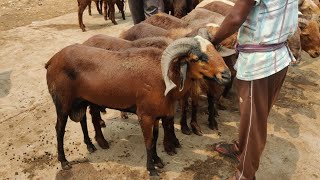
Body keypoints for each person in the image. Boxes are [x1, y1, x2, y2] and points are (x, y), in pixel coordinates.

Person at [211, 0, 298, 179]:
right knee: (253, 116)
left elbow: (235, 17)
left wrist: (213, 41)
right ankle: (241, 148)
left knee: (254, 121)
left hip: (260, 63)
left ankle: (245, 175)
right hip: (279, 54)